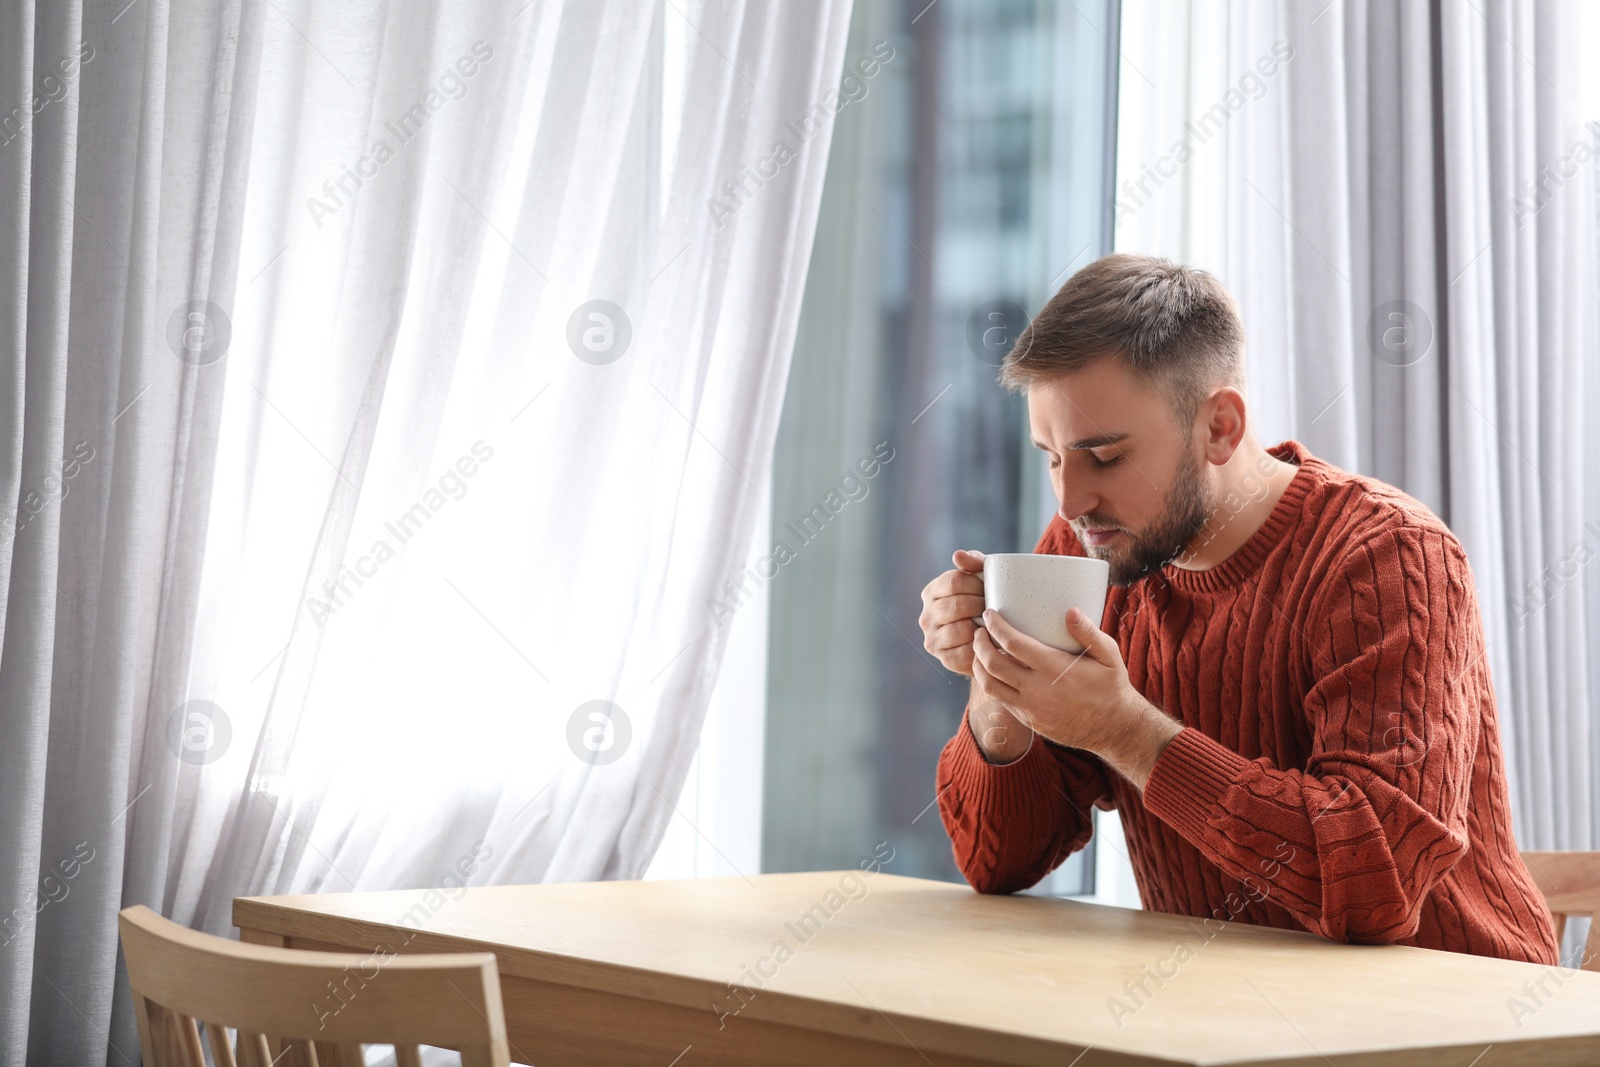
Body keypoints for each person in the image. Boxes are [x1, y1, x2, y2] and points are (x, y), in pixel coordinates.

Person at [918, 253, 1559, 964]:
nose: (1069, 503)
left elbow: (1375, 882)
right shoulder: (1098, 552)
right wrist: (998, 690)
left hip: (1460, 1019)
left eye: (1104, 457)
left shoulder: (1389, 557)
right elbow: (998, 861)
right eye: (1051, 456)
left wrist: (1127, 731)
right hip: (1228, 1016)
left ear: (1220, 426)